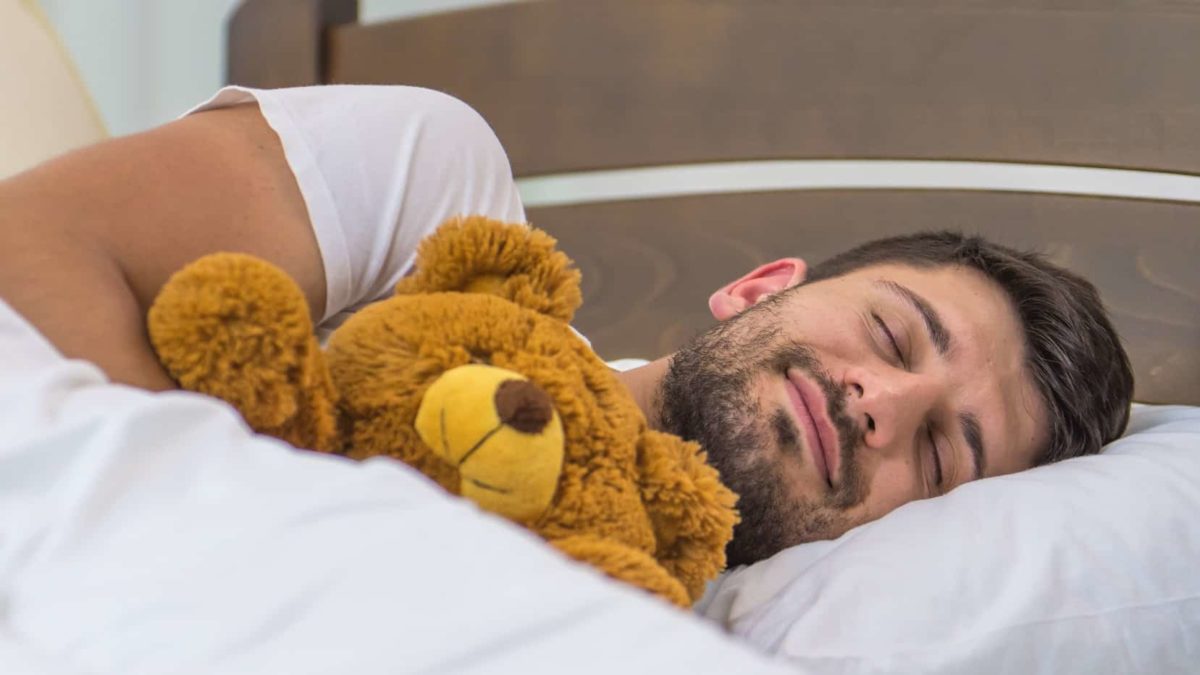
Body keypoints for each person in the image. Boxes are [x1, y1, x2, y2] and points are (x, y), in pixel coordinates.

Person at [0, 85, 1134, 569]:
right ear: (757, 286)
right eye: (891, 337)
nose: (881, 403)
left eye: (938, 456)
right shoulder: (441, 194)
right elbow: (30, 247)